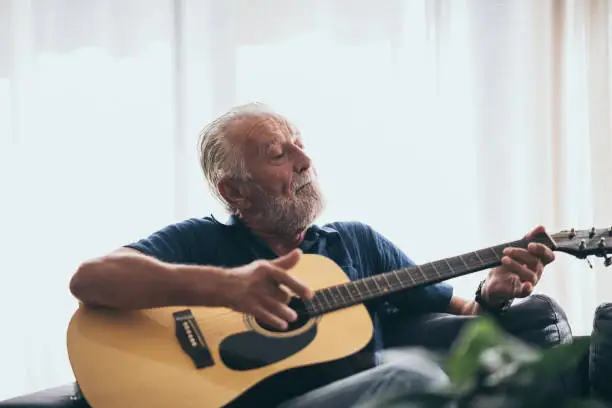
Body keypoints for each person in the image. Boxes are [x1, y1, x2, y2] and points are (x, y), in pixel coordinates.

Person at [69, 102, 556, 407]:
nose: (305, 162)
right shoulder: (200, 241)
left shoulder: (355, 243)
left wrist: (493, 292)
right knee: (412, 375)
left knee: (416, 374)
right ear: (235, 191)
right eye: (278, 154)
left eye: (299, 146)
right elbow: (90, 280)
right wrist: (229, 287)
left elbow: (468, 313)